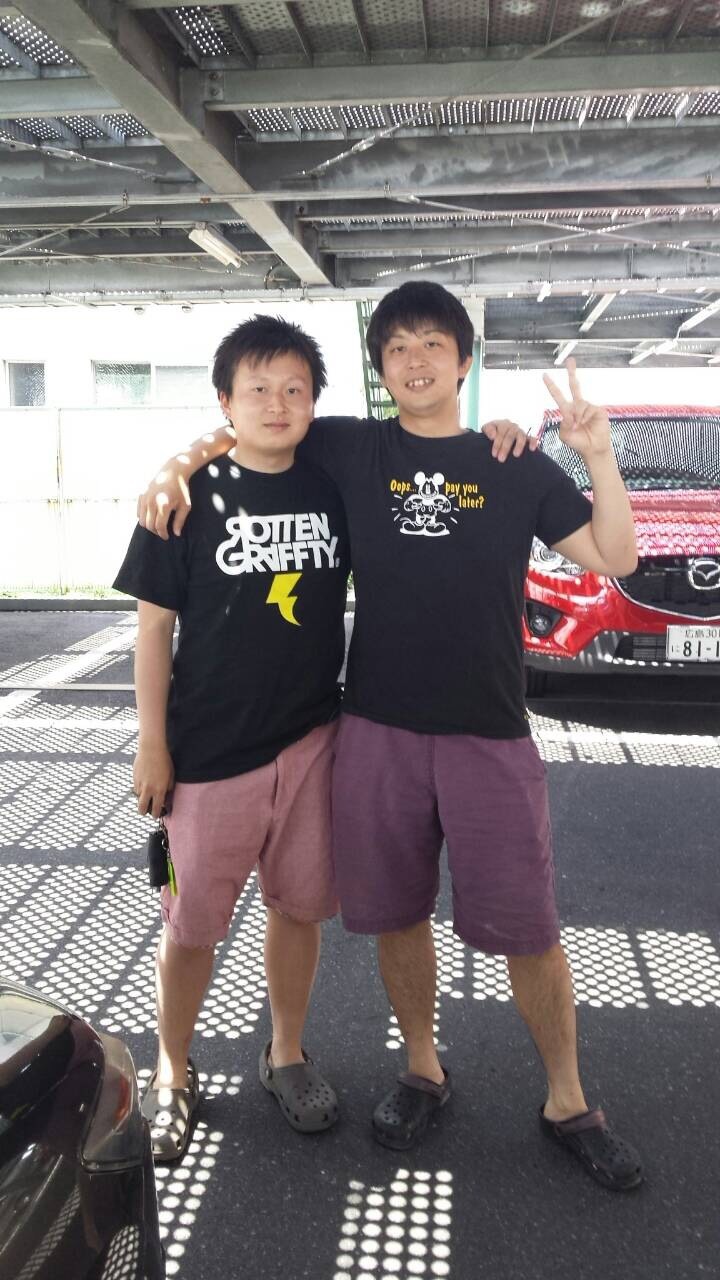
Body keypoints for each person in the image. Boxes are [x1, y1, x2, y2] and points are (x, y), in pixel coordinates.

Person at [137, 282, 643, 1190]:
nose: (415, 360)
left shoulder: (514, 462)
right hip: (372, 730)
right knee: (395, 916)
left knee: (530, 927)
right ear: (380, 371)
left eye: (433, 344)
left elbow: (617, 556)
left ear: (464, 362)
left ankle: (568, 1100)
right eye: (397, 347)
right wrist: (176, 463)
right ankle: (420, 1070)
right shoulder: (353, 447)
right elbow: (256, 424)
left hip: (488, 733)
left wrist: (599, 456)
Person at [114, 315, 351, 1160]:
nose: (277, 404)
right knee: (191, 927)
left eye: (294, 389)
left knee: (299, 910)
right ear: (225, 401)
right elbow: (152, 631)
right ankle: (172, 1069)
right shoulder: (182, 501)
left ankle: (286, 1053)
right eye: (258, 389)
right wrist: (152, 743)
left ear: (314, 402)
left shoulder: (334, 484)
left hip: (312, 742)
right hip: (208, 756)